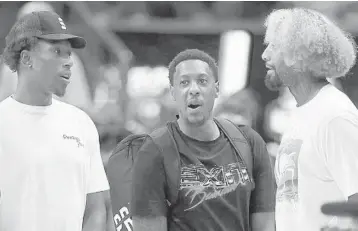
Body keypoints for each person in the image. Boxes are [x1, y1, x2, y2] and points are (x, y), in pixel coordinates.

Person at [131, 49, 276, 231]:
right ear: (173, 92)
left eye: (202, 81)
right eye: (184, 82)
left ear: (216, 89)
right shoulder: (154, 150)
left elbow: (265, 224)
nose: (194, 90)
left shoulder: (249, 142)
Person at [0, 11, 109, 231]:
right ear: (26, 58)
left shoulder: (82, 124)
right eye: (57, 51)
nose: (69, 62)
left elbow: (96, 210)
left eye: (68, 54)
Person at [262, 8, 358, 231]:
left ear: (300, 56)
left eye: (274, 46)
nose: (265, 55)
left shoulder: (335, 116)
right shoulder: (304, 112)